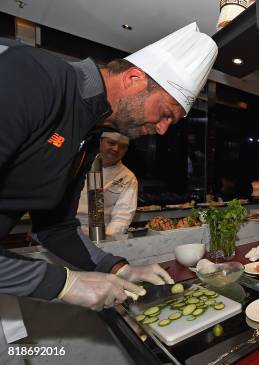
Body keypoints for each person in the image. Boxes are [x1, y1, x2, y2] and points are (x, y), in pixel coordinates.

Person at [0, 22, 217, 349]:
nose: (161, 130)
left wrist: (119, 268)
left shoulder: (89, 133)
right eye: (164, 114)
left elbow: (56, 227)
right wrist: (64, 283)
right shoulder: (32, 77)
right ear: (134, 79)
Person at [77, 132, 138, 239]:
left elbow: (122, 216)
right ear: (100, 142)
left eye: (122, 147)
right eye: (111, 143)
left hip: (103, 232)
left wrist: (106, 239)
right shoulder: (79, 164)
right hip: (68, 227)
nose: (116, 149)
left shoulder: (128, 177)